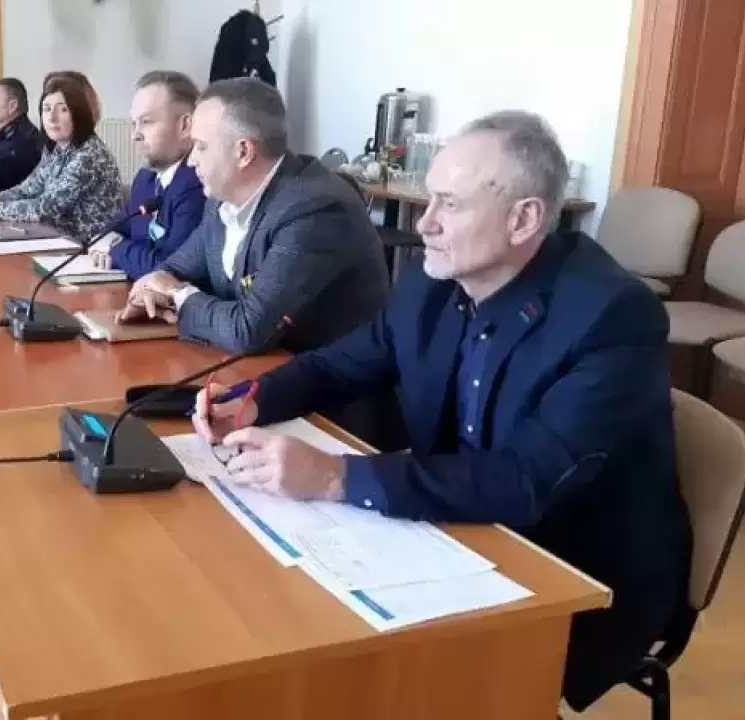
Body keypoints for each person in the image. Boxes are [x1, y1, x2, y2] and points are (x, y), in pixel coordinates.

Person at [194, 111, 692, 713]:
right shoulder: (430, 283)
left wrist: (332, 476)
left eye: (449, 205)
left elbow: (526, 481)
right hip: (451, 529)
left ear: (524, 219)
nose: (424, 223)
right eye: (429, 199)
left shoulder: (612, 315)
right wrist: (253, 401)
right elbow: (340, 365)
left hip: (573, 568)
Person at [119, 77, 388, 355]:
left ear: (243, 152)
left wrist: (176, 294)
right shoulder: (221, 200)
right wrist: (152, 292)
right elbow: (173, 268)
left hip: (327, 377)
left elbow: (248, 331)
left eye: (201, 146)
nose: (191, 160)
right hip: (254, 367)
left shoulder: (315, 209)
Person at [0, 76, 125, 241]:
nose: (52, 118)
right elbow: (27, 189)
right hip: (56, 238)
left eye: (63, 109)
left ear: (80, 113)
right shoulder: (57, 149)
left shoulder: (88, 155)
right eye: (47, 109)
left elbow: (48, 208)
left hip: (86, 248)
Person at [88, 70, 205, 281]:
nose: (135, 135)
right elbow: (111, 229)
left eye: (146, 122)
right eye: (134, 124)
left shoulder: (198, 183)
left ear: (185, 126)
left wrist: (115, 249)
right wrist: (110, 244)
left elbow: (168, 270)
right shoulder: (146, 178)